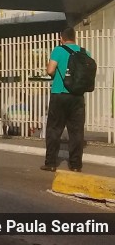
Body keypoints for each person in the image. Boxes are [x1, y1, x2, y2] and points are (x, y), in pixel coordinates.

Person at [41, 27, 88, 172]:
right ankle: (75, 165)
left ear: (62, 38)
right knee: (76, 132)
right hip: (78, 96)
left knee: (54, 129)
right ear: (75, 38)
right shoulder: (84, 52)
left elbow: (50, 70)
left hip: (60, 94)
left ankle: (51, 163)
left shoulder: (58, 50)